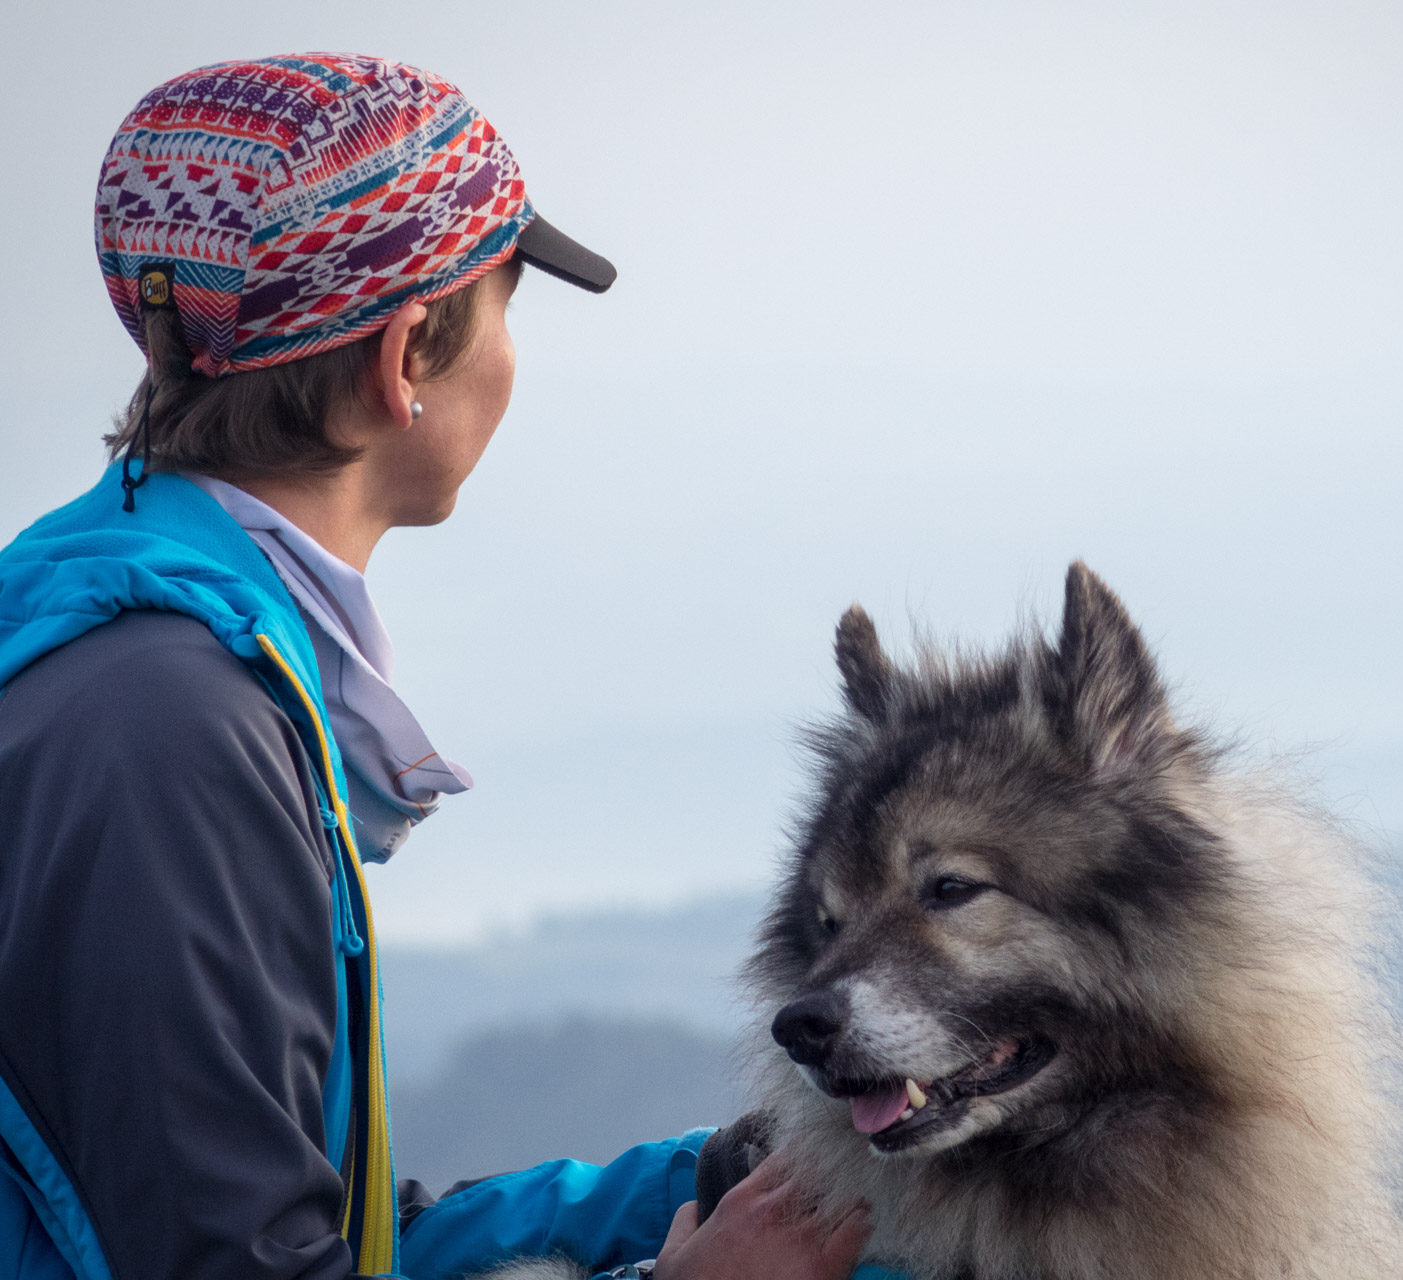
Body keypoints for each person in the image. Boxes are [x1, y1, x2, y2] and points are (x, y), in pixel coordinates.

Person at [0, 54, 874, 1280]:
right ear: (405, 355)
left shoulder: (124, 635)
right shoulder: (173, 731)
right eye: (507, 304)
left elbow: (343, 1232)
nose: (514, 356)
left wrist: (707, 1177)